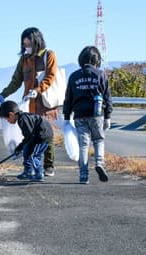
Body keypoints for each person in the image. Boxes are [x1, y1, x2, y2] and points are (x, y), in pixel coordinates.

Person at [0, 27, 58, 177]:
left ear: (36, 42)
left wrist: (38, 89)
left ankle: (48, 166)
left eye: (28, 44)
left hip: (46, 103)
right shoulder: (24, 60)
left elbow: (50, 77)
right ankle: (32, 167)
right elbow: (16, 81)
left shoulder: (49, 55)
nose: (25, 47)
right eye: (24, 45)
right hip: (29, 103)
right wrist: (3, 94)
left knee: (46, 134)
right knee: (29, 135)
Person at [62, 46, 113, 184]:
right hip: (96, 114)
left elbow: (68, 99)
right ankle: (99, 163)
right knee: (98, 140)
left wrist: (67, 117)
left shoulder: (74, 76)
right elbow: (107, 97)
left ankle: (83, 176)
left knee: (83, 145)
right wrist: (108, 116)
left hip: (79, 115)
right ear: (97, 60)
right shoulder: (101, 74)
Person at [0, 100, 53, 182]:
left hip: (41, 137)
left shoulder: (22, 119)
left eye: (7, 119)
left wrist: (21, 147)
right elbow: (28, 137)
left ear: (11, 114)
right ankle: (29, 172)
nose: (7, 121)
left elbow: (29, 137)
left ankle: (39, 174)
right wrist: (22, 147)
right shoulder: (23, 117)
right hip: (41, 136)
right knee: (28, 151)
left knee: (32, 155)